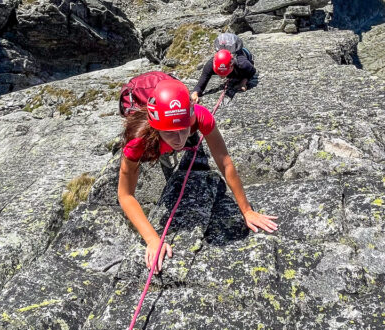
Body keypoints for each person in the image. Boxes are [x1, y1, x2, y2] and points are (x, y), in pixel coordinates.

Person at [117, 78, 278, 272]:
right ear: (155, 127)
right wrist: (153, 239)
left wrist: (246, 210)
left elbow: (224, 161)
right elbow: (125, 195)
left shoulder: (200, 116)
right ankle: (163, 151)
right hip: (143, 95)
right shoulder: (138, 142)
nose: (179, 140)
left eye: (183, 130)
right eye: (170, 133)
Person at [191, 48, 256, 103]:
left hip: (244, 53)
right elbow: (203, 80)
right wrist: (195, 93)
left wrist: (243, 82)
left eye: (224, 74)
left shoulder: (242, 63)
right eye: (219, 73)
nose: (222, 77)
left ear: (232, 66)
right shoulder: (210, 65)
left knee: (240, 74)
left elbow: (252, 71)